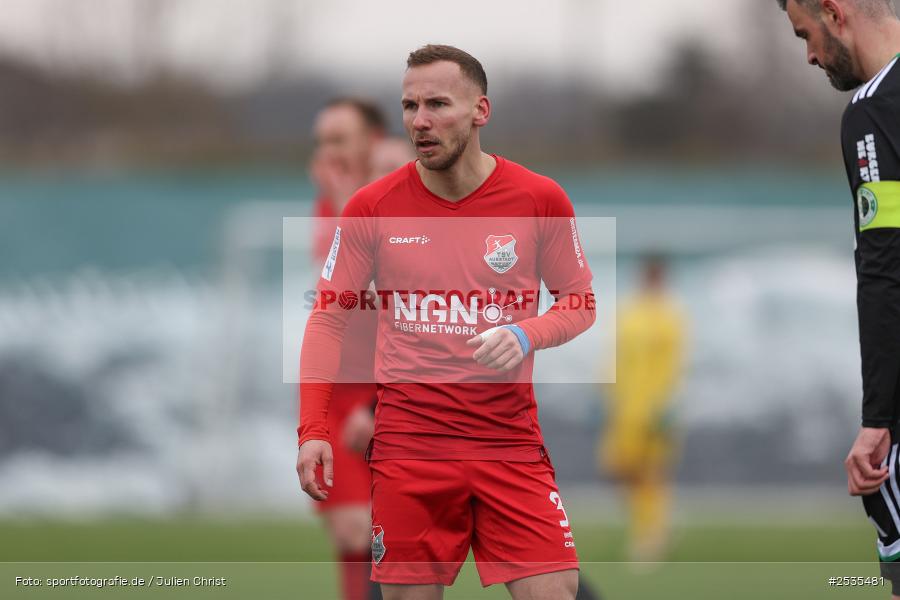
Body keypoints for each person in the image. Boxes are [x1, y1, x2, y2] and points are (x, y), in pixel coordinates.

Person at [296, 45, 596, 600]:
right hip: (410, 454)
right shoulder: (372, 206)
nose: (420, 120)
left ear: (481, 111)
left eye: (437, 104)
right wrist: (313, 431)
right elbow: (328, 319)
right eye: (410, 106)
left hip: (509, 446)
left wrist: (525, 333)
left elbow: (580, 302)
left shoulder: (538, 197)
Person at [778, 0, 900, 596]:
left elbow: (885, 267)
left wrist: (878, 420)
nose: (809, 55)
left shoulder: (874, 109)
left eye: (807, 34)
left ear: (834, 11)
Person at [309, 97, 388, 600]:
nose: (327, 151)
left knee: (384, 535)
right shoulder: (329, 206)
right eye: (321, 141)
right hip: (339, 398)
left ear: (373, 143)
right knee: (352, 535)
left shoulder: (400, 207)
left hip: (391, 394)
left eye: (339, 139)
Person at [598, 255, 685, 563]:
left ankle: (652, 534)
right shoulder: (630, 313)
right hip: (625, 407)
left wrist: (668, 405)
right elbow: (615, 355)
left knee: (651, 472)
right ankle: (649, 524)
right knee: (620, 469)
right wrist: (606, 391)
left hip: (653, 408)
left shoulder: (670, 317)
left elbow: (675, 365)